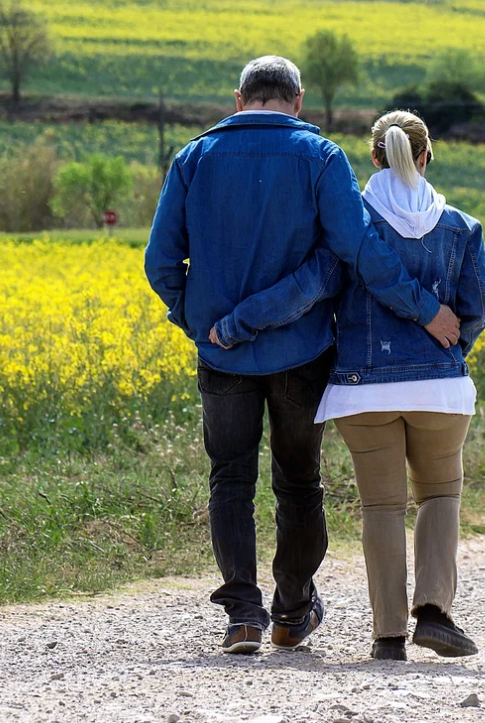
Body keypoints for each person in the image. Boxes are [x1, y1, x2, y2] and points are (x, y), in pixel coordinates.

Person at [144, 57, 462, 656]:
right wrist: (423, 309)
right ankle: (292, 612)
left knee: (229, 479)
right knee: (298, 482)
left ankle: (243, 615)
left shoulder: (193, 158)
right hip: (302, 352)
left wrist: (201, 324)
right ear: (299, 100)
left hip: (221, 357)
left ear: (239, 98)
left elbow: (160, 262)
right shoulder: (321, 158)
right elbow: (357, 250)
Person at [212, 110, 485, 661]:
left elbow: (307, 288)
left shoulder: (352, 228)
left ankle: (388, 636)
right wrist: (449, 353)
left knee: (381, 507)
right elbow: (476, 306)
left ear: (373, 157)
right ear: (427, 157)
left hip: (362, 392)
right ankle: (434, 612)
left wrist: (238, 323)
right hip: (440, 390)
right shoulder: (462, 227)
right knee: (439, 495)